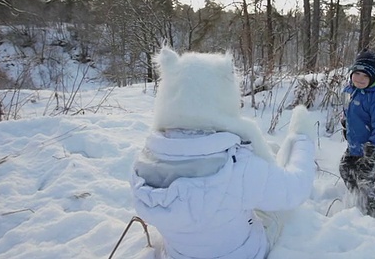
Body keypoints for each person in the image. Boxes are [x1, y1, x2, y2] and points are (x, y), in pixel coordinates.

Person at [130, 47, 316, 259]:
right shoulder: (236, 165)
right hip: (244, 253)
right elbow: (295, 189)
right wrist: (303, 138)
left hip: (177, 254)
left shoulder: (143, 162)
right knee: (274, 211)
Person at [339, 49, 375, 217]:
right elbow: (347, 111)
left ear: (373, 77)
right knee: (346, 169)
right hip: (355, 146)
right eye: (357, 74)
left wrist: (372, 155)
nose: (360, 79)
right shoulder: (349, 91)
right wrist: (346, 125)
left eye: (365, 76)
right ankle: (357, 201)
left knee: (369, 182)